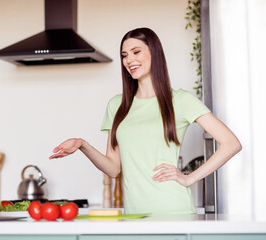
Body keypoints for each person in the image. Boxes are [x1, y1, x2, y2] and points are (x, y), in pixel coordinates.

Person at [49, 28, 242, 214]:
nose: (129, 59)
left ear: (154, 53)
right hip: (135, 214)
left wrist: (190, 178)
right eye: (124, 55)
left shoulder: (181, 100)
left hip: (174, 211)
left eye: (136, 52)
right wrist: (82, 145)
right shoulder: (117, 105)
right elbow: (113, 169)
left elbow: (231, 143)